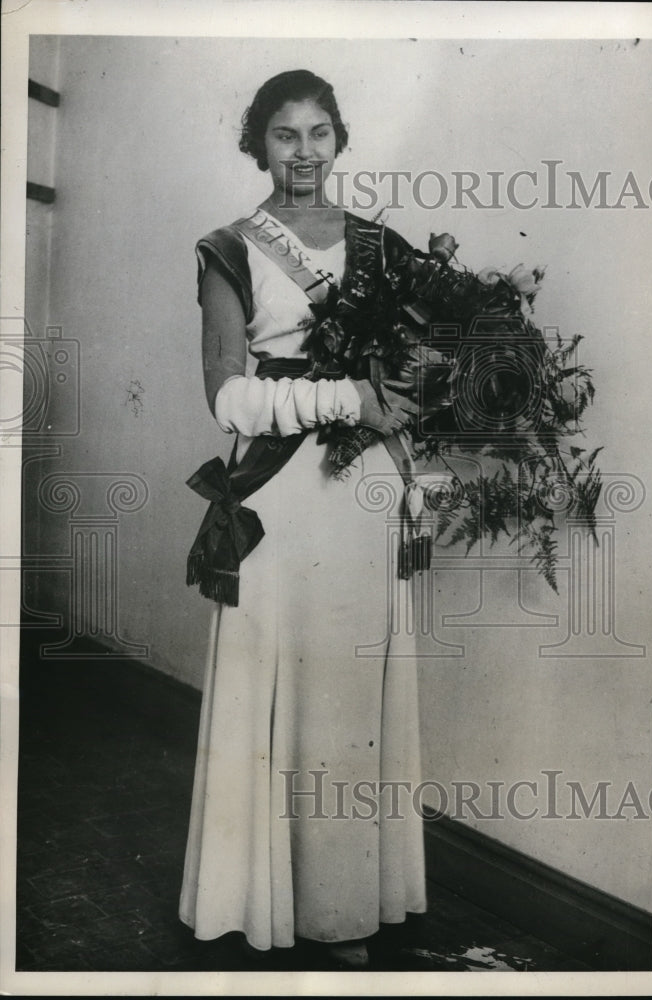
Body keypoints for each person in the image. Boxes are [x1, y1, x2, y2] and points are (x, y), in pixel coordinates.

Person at [179, 69, 427, 970]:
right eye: (285, 135)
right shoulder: (229, 247)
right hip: (282, 497)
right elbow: (228, 399)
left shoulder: (382, 247)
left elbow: (408, 381)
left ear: (339, 140)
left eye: (319, 133)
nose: (304, 153)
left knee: (349, 695)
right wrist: (348, 395)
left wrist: (404, 439)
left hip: (360, 497)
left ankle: (346, 905)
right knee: (280, 680)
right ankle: (257, 904)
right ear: (258, 144)